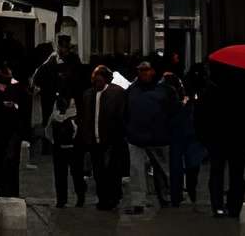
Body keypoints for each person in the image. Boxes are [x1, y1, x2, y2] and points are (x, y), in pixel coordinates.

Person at [124, 58, 175, 212]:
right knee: (138, 171)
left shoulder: (163, 90)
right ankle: (140, 202)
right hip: (140, 137)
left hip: (157, 136)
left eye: (146, 69)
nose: (144, 73)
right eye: (141, 70)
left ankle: (166, 197)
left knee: (162, 171)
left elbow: (173, 111)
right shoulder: (133, 90)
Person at [82, 62, 128, 212]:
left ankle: (112, 199)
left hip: (111, 140)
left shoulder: (117, 93)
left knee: (111, 171)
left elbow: (121, 117)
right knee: (99, 172)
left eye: (100, 79)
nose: (97, 82)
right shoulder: (88, 94)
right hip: (94, 140)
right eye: (95, 79)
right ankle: (103, 199)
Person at [0, 63, 29, 197]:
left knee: (11, 162)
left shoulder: (17, 87)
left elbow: (24, 110)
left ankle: (10, 192)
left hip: (12, 131)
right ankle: (2, 190)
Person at [169, 68, 206, 208]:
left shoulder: (180, 95)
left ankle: (178, 196)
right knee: (192, 165)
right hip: (193, 131)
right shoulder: (201, 94)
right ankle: (190, 192)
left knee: (178, 165)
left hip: (181, 131)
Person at [50, 88, 86, 206]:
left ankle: (68, 199)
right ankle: (67, 199)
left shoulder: (70, 106)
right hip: (64, 145)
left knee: (73, 174)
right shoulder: (60, 105)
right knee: (71, 174)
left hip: (69, 146)